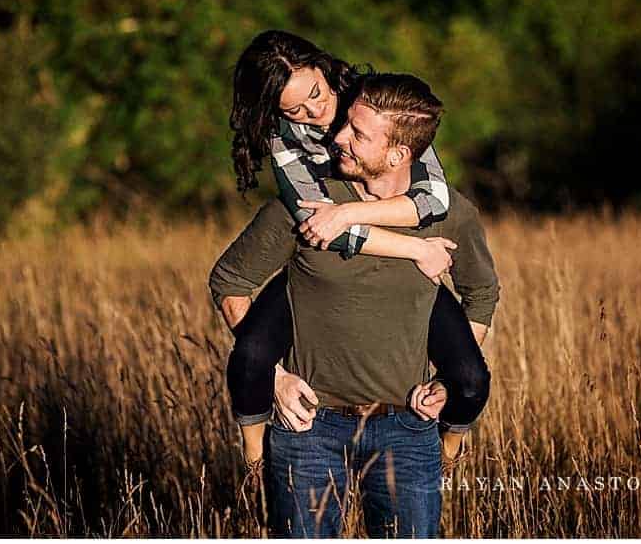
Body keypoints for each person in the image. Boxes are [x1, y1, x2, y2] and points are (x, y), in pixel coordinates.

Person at [210, 72, 500, 537]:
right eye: (346, 123)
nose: (336, 136)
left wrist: (447, 382)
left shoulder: (453, 214)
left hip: (406, 432)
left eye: (357, 134)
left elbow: (482, 293)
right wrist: (277, 379)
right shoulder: (304, 206)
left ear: (398, 154)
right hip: (308, 434)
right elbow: (230, 282)